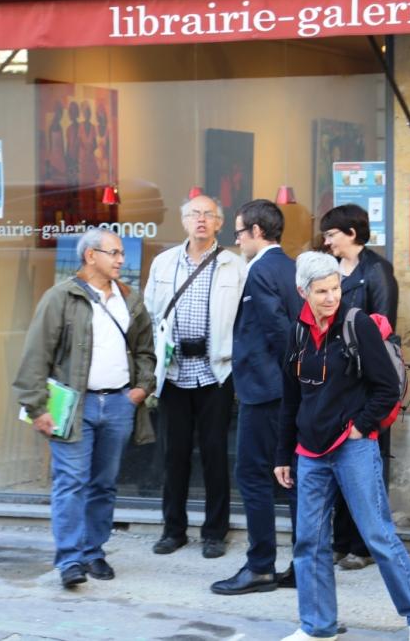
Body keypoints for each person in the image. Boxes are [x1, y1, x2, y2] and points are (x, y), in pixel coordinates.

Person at [275, 251, 410, 641]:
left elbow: (387, 389)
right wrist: (283, 454)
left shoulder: (357, 324)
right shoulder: (296, 332)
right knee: (309, 542)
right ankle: (318, 626)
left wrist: (359, 428)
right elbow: (291, 398)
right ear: (303, 292)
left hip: (353, 447)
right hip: (309, 452)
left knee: (377, 535)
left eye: (335, 288)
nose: (331, 297)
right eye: (321, 291)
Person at [13, 227, 156, 588]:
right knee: (71, 482)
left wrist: (141, 388)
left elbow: (145, 350)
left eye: (122, 253)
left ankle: (94, 552)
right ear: (91, 255)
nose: (121, 260)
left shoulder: (130, 300)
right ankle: (71, 560)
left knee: (104, 484)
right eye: (114, 253)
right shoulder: (60, 298)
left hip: (120, 404)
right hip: (75, 406)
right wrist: (36, 407)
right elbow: (36, 355)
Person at [143, 194, 246, 559]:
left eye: (208, 214)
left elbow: (244, 321)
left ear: (219, 222)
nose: (201, 220)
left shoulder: (235, 265)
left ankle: (215, 532)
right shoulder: (163, 263)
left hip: (215, 372)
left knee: (216, 454)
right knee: (174, 455)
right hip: (174, 373)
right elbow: (151, 313)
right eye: (194, 214)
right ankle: (173, 530)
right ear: (183, 221)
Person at [211, 199, 300, 595]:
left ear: (257, 232)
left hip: (267, 392)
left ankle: (261, 565)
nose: (238, 240)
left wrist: (288, 379)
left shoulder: (261, 269)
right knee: (297, 479)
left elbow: (280, 333)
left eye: (239, 233)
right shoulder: (291, 267)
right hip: (284, 390)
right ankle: (304, 564)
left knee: (253, 475)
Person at [319, 203, 399, 570]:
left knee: (364, 465)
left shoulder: (377, 271)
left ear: (351, 233)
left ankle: (363, 546)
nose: (327, 241)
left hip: (366, 382)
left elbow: (384, 327)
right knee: (335, 460)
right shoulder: (329, 269)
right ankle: (340, 540)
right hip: (333, 380)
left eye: (332, 234)